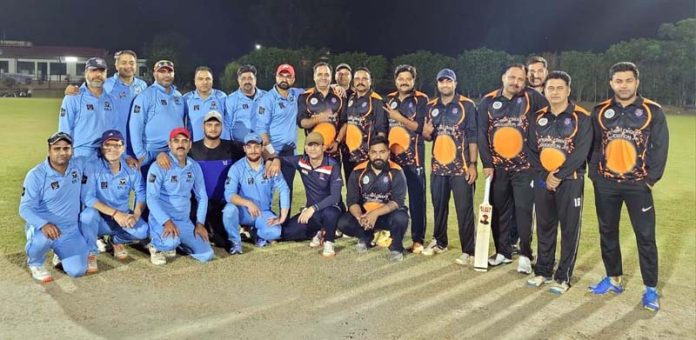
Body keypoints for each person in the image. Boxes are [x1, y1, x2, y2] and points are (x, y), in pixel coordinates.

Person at [587, 62, 669, 312]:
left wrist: (649, 179)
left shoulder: (652, 111)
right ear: (611, 83)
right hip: (606, 184)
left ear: (637, 82)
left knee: (645, 237)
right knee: (607, 231)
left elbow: (660, 147)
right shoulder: (600, 110)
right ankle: (613, 279)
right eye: (619, 81)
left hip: (638, 186)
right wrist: (595, 176)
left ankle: (650, 289)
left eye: (628, 80)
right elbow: (593, 145)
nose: (624, 85)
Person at [478, 64, 548, 274]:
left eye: (520, 79)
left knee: (524, 212)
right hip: (498, 169)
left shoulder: (532, 98)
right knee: (499, 211)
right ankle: (502, 252)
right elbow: (482, 133)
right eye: (512, 77)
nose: (515, 82)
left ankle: (526, 255)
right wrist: (487, 163)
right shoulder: (488, 101)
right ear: (503, 77)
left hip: (525, 169)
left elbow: (550, 115)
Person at [526, 71, 592, 294]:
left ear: (568, 90)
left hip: (570, 181)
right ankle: (543, 270)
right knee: (544, 226)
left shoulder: (581, 116)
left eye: (559, 88)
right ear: (544, 90)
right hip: (544, 180)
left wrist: (559, 174)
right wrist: (545, 175)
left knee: (569, 229)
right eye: (550, 88)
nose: (554, 92)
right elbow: (531, 149)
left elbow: (582, 151)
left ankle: (563, 276)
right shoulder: (537, 116)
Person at [421, 69, 478, 265]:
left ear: (455, 83)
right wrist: (426, 134)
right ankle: (440, 241)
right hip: (438, 168)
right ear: (437, 84)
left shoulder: (467, 105)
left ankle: (469, 250)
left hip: (461, 169)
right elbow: (428, 136)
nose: (445, 85)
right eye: (441, 82)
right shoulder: (430, 106)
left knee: (464, 210)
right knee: (439, 207)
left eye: (448, 81)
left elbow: (472, 136)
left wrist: (472, 164)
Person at [19, 132, 89, 282]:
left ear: (72, 150)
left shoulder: (78, 165)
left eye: (66, 148)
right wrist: (43, 224)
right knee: (41, 241)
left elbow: (106, 156)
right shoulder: (36, 175)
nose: (62, 152)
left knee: (78, 271)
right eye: (57, 148)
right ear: (49, 151)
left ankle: (60, 253)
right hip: (44, 228)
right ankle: (35, 263)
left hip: (70, 230)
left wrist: (127, 158)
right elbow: (24, 208)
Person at [79, 130, 149, 265]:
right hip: (100, 219)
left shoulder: (131, 168)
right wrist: (116, 214)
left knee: (143, 232)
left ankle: (116, 240)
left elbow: (141, 192)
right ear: (101, 147)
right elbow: (88, 198)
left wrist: (135, 215)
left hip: (122, 217)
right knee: (87, 216)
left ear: (123, 148)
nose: (112, 149)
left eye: (117, 145)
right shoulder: (92, 167)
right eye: (108, 145)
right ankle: (91, 252)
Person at [146, 127, 212, 265]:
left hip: (184, 221)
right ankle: (156, 245)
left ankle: (178, 242)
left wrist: (200, 223)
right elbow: (151, 199)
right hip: (163, 221)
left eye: (184, 141)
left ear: (190, 145)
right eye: (176, 141)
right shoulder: (158, 166)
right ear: (169, 144)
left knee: (207, 254)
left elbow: (202, 196)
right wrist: (166, 221)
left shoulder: (194, 166)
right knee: (170, 242)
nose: (180, 144)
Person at [337, 136, 409, 262]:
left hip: (386, 215)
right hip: (365, 215)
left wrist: (375, 214)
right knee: (343, 223)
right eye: (374, 152)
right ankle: (366, 236)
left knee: (401, 218)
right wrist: (360, 217)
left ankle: (396, 247)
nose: (378, 156)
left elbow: (397, 202)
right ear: (369, 153)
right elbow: (352, 201)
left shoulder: (397, 171)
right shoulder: (358, 171)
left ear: (388, 153)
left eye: (382, 152)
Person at [270, 132, 343, 257]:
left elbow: (335, 197)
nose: (313, 149)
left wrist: (313, 208)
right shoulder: (301, 161)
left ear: (323, 147)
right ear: (305, 148)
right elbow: (282, 159)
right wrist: (276, 160)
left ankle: (329, 241)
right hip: (311, 213)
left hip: (331, 208)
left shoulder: (332, 165)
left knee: (330, 213)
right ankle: (320, 231)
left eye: (317, 145)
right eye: (310, 145)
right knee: (287, 233)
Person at [384, 64, 429, 253]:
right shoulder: (388, 99)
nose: (404, 82)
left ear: (413, 81)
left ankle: (418, 239)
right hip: (392, 161)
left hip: (413, 160)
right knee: (390, 199)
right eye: (400, 78)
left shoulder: (421, 99)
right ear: (396, 80)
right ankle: (390, 233)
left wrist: (398, 117)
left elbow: (420, 127)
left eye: (408, 79)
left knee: (417, 200)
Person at [65, 50, 148, 152]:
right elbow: (92, 85)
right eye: (124, 63)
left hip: (138, 141)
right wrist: (73, 89)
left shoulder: (142, 85)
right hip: (114, 143)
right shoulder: (106, 84)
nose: (128, 66)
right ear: (116, 65)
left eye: (131, 63)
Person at [222, 133, 290, 253]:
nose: (253, 150)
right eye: (249, 147)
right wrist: (248, 203)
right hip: (243, 212)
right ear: (244, 148)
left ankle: (256, 233)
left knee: (275, 232)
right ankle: (235, 241)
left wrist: (283, 216)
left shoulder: (271, 167)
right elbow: (229, 195)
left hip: (262, 212)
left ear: (262, 148)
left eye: (256, 146)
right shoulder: (236, 168)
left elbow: (284, 189)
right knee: (229, 210)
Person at [255, 64, 305, 209]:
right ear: (276, 77)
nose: (284, 79)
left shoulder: (297, 94)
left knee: (287, 191)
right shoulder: (267, 99)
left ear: (293, 79)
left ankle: (285, 225)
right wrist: (271, 156)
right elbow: (262, 131)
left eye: (288, 76)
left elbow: (316, 91)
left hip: (289, 151)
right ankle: (263, 225)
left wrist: (335, 86)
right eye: (281, 75)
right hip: (270, 151)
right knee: (266, 191)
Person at [189, 111, 242, 248]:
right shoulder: (192, 148)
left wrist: (273, 159)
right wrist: (161, 156)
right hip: (200, 204)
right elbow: (174, 155)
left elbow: (255, 151)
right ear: (203, 127)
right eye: (209, 125)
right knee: (195, 239)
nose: (213, 128)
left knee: (223, 242)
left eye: (217, 125)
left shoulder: (233, 147)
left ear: (222, 127)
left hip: (222, 203)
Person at [129, 60, 185, 168]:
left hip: (174, 151)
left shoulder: (178, 96)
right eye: (162, 71)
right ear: (155, 74)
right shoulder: (145, 96)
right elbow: (135, 125)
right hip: (152, 152)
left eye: (169, 72)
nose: (166, 75)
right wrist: (141, 154)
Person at [58, 57, 118, 159]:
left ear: (106, 73)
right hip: (81, 154)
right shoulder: (73, 98)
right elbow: (64, 130)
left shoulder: (111, 100)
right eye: (93, 70)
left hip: (106, 154)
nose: (98, 74)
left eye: (101, 71)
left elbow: (116, 129)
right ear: (86, 72)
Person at [341, 67, 387, 179]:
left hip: (366, 157)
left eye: (364, 79)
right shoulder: (350, 98)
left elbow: (381, 131)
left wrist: (377, 156)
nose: (360, 82)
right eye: (357, 79)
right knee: (352, 191)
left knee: (367, 191)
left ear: (370, 81)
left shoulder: (377, 100)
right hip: (349, 155)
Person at [297, 62, 346, 159]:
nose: (323, 77)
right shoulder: (305, 96)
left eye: (326, 74)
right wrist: (317, 119)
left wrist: (337, 142)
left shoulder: (341, 96)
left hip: (333, 152)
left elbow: (345, 122)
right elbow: (301, 123)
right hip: (311, 152)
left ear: (331, 77)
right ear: (314, 76)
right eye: (319, 74)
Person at [225, 64, 267, 160]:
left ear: (255, 80)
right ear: (238, 81)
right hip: (239, 147)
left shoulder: (266, 97)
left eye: (250, 78)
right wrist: (229, 146)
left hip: (262, 147)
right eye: (243, 78)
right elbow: (227, 125)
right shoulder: (231, 99)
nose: (247, 81)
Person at [183, 66, 228, 141]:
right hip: (195, 146)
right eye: (200, 79)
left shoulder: (222, 97)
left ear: (212, 80)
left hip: (219, 146)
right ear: (195, 81)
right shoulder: (186, 99)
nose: (204, 82)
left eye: (208, 79)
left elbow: (228, 122)